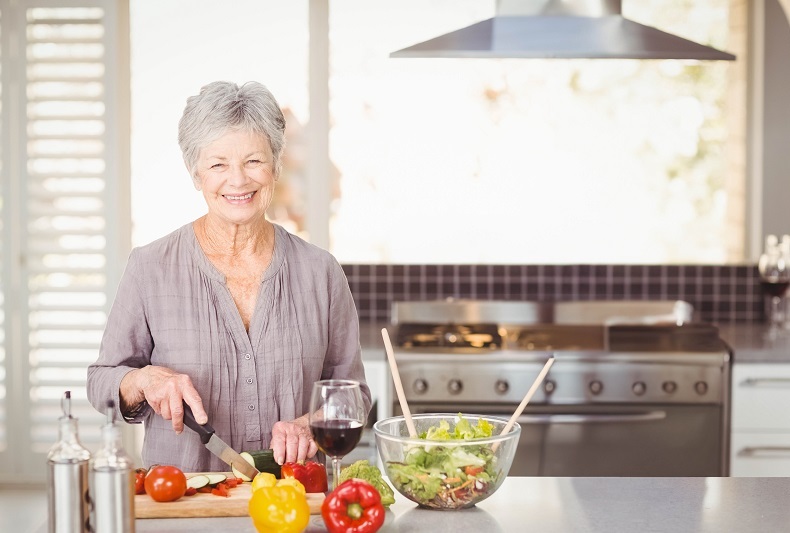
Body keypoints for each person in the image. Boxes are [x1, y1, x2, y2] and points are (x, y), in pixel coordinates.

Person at [87, 81, 371, 473]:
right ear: (196, 173)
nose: (238, 181)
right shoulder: (149, 267)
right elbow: (101, 380)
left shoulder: (321, 272)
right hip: (184, 504)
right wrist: (145, 381)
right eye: (218, 164)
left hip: (294, 500)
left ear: (276, 164)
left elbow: (354, 395)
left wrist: (311, 425)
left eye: (253, 160)